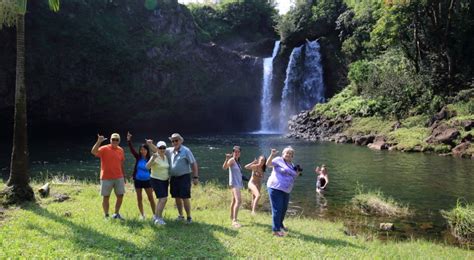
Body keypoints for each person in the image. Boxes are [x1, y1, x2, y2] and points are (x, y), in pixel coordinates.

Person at [149, 133, 198, 224]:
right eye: (173, 141)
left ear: (180, 141)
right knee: (177, 197)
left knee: (185, 197)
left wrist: (195, 177)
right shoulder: (169, 150)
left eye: (176, 140)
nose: (175, 142)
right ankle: (181, 216)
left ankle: (189, 217)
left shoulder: (186, 151)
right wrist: (150, 144)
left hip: (184, 177)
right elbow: (159, 149)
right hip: (174, 178)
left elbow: (193, 163)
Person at [266, 147, 302, 237]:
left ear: (292, 156)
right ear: (283, 154)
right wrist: (272, 154)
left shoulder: (291, 164)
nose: (288, 155)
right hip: (275, 187)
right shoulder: (278, 159)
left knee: (283, 209)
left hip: (286, 190)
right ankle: (276, 230)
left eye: (290, 154)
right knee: (277, 209)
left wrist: (297, 173)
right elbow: (268, 164)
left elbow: (293, 176)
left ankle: (280, 225)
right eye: (287, 153)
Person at [91, 133, 126, 220]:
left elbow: (121, 164)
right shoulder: (104, 148)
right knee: (106, 197)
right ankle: (106, 215)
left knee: (120, 196)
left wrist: (124, 176)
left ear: (119, 141)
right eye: (113, 139)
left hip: (119, 177)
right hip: (106, 177)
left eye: (116, 140)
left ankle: (116, 213)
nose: (114, 141)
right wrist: (99, 141)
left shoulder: (121, 150)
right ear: (110, 140)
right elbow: (93, 152)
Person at [127, 132, 156, 220]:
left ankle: (155, 215)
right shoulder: (138, 158)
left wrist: (150, 144)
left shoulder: (151, 158)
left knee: (151, 198)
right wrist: (129, 140)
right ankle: (142, 215)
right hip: (138, 181)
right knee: (139, 198)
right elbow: (132, 150)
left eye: (144, 149)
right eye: (141, 150)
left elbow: (157, 151)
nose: (142, 151)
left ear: (147, 150)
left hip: (147, 181)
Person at [146, 141, 170, 225]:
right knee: (163, 199)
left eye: (164, 148)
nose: (162, 149)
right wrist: (152, 159)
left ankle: (156, 217)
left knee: (161, 199)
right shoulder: (155, 156)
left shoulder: (165, 157)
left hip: (165, 181)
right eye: (160, 148)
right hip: (156, 180)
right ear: (157, 148)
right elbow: (147, 167)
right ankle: (159, 218)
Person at [222, 146, 243, 228]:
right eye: (235, 151)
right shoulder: (232, 160)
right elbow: (224, 167)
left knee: (234, 200)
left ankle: (231, 216)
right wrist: (226, 159)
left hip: (237, 183)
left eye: (238, 151)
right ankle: (234, 221)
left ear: (240, 153)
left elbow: (238, 173)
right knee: (238, 201)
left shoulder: (237, 161)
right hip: (234, 183)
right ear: (233, 152)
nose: (236, 153)